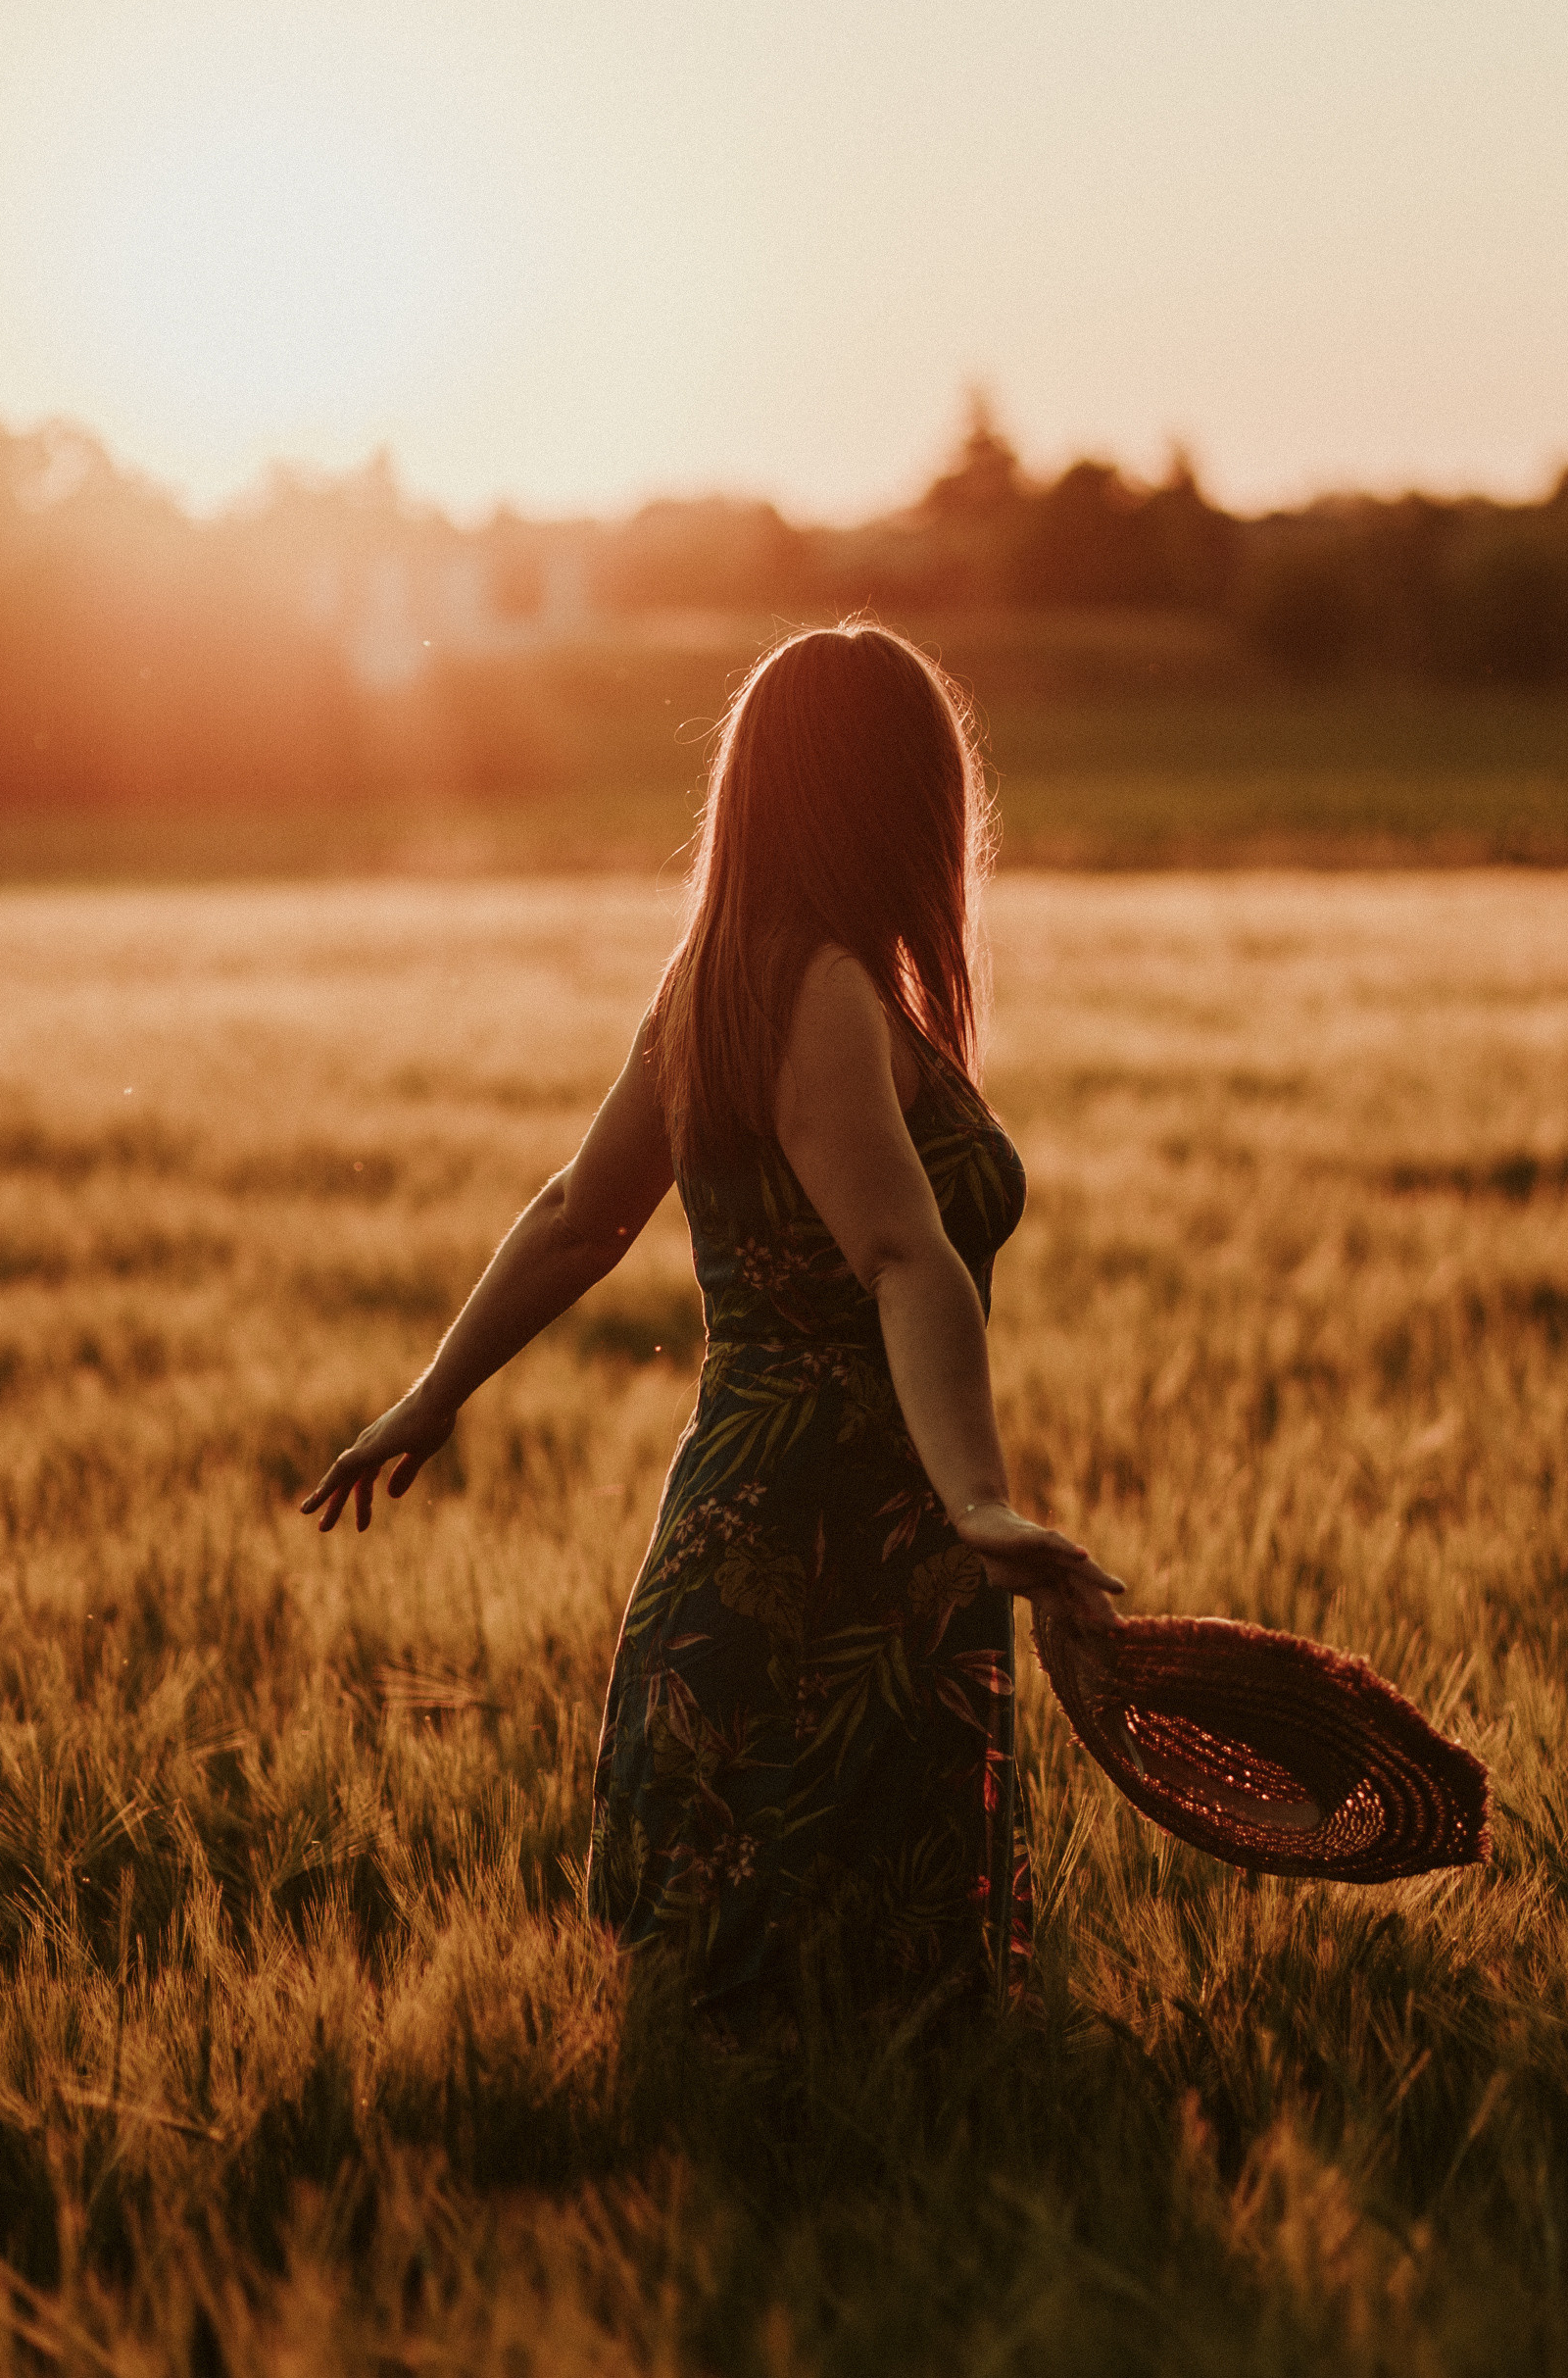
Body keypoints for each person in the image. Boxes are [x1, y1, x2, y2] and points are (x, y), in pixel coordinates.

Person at [302, 621, 1121, 2015]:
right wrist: (976, 1503)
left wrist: (436, 1392)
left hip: (738, 1512)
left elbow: (580, 1215)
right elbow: (905, 1257)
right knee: (855, 1970)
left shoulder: (718, 985)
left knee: (757, 1955)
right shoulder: (831, 996)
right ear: (893, 799)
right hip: (848, 1536)